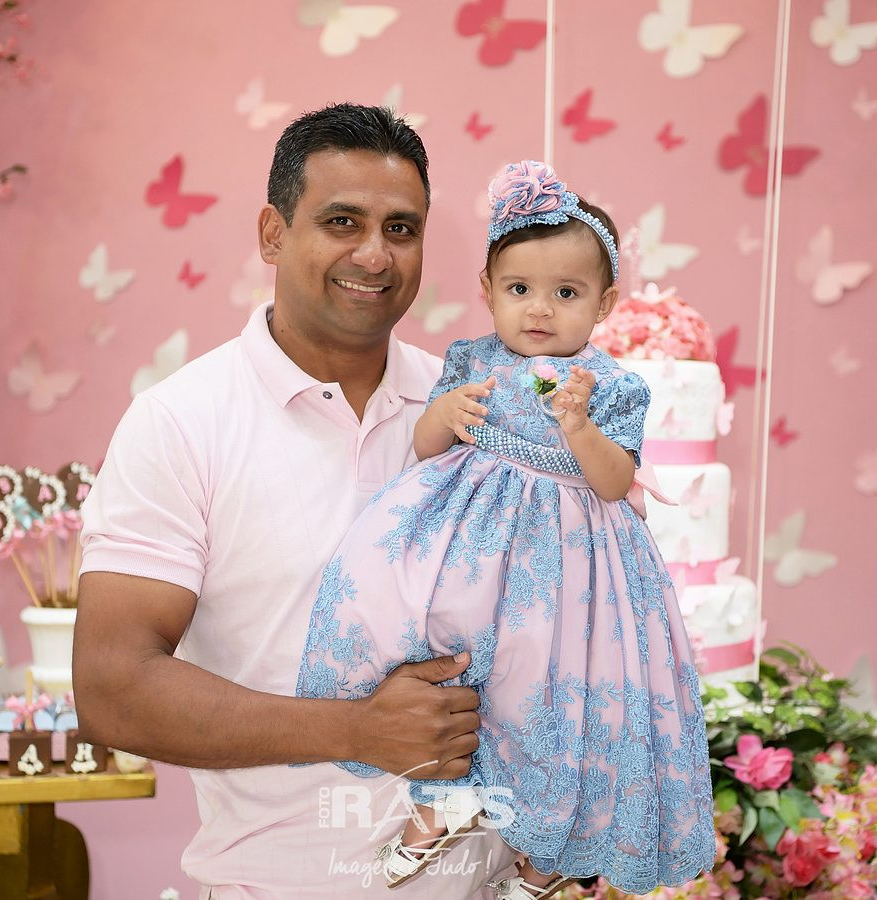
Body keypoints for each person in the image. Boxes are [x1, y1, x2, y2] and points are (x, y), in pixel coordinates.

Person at [74, 104, 517, 898]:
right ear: (272, 233)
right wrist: (357, 732)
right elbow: (113, 685)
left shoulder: (479, 408)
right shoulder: (183, 422)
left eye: (401, 229)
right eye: (342, 221)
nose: (374, 255)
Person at [296, 160, 715, 899]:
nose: (539, 310)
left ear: (603, 303)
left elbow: (613, 482)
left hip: (570, 565)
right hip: (476, 549)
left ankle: (546, 851)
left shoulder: (611, 385)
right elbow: (427, 447)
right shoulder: (472, 359)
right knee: (452, 659)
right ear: (487, 290)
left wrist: (579, 427)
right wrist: (442, 415)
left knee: (553, 692)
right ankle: (443, 799)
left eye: (566, 293)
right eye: (519, 290)